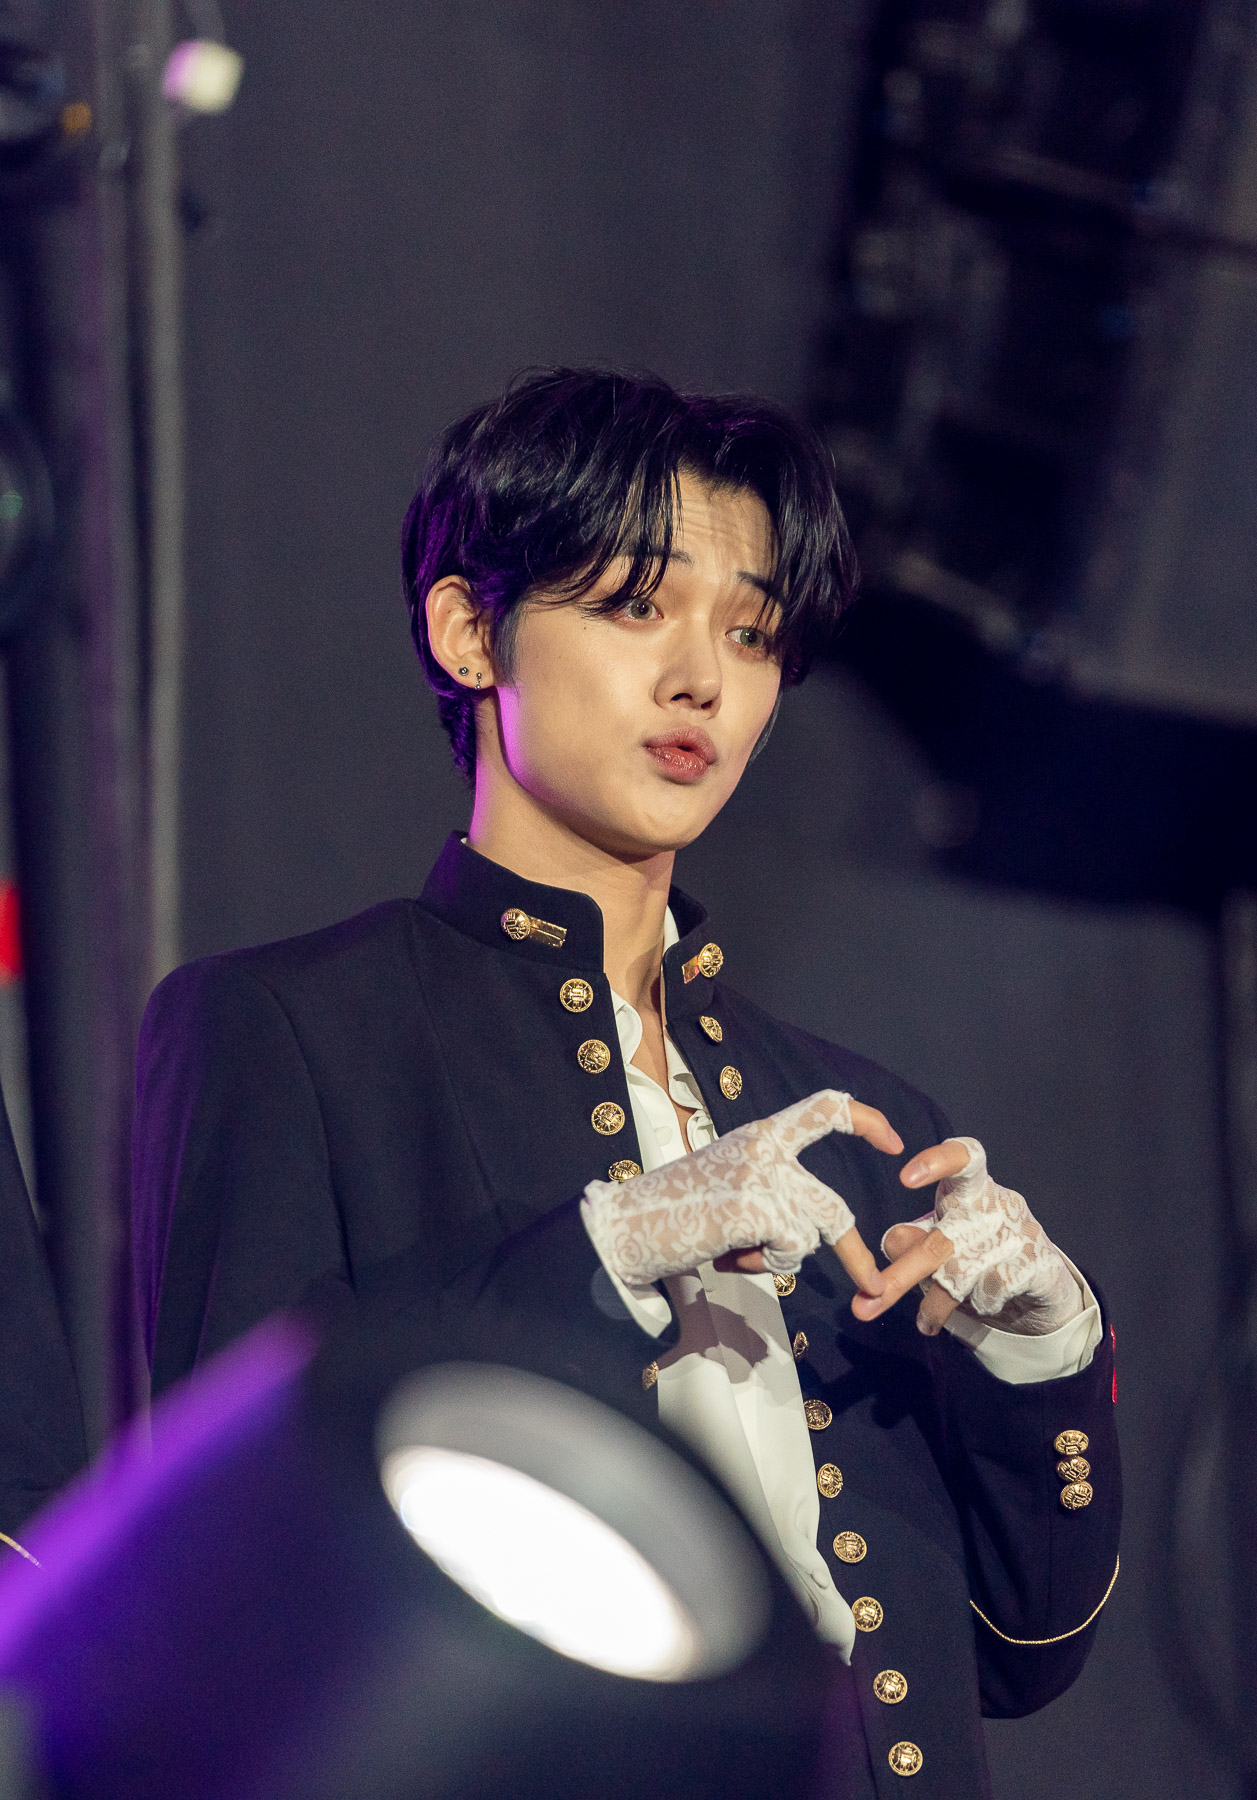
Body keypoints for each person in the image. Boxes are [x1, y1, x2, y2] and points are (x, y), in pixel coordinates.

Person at [132, 368, 1120, 1798]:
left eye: (753, 632)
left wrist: (1039, 1358)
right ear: (469, 631)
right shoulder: (290, 1030)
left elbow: (1020, 1651)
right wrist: (610, 1250)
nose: (702, 679)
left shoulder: (856, 1121)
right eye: (636, 605)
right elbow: (233, 1558)